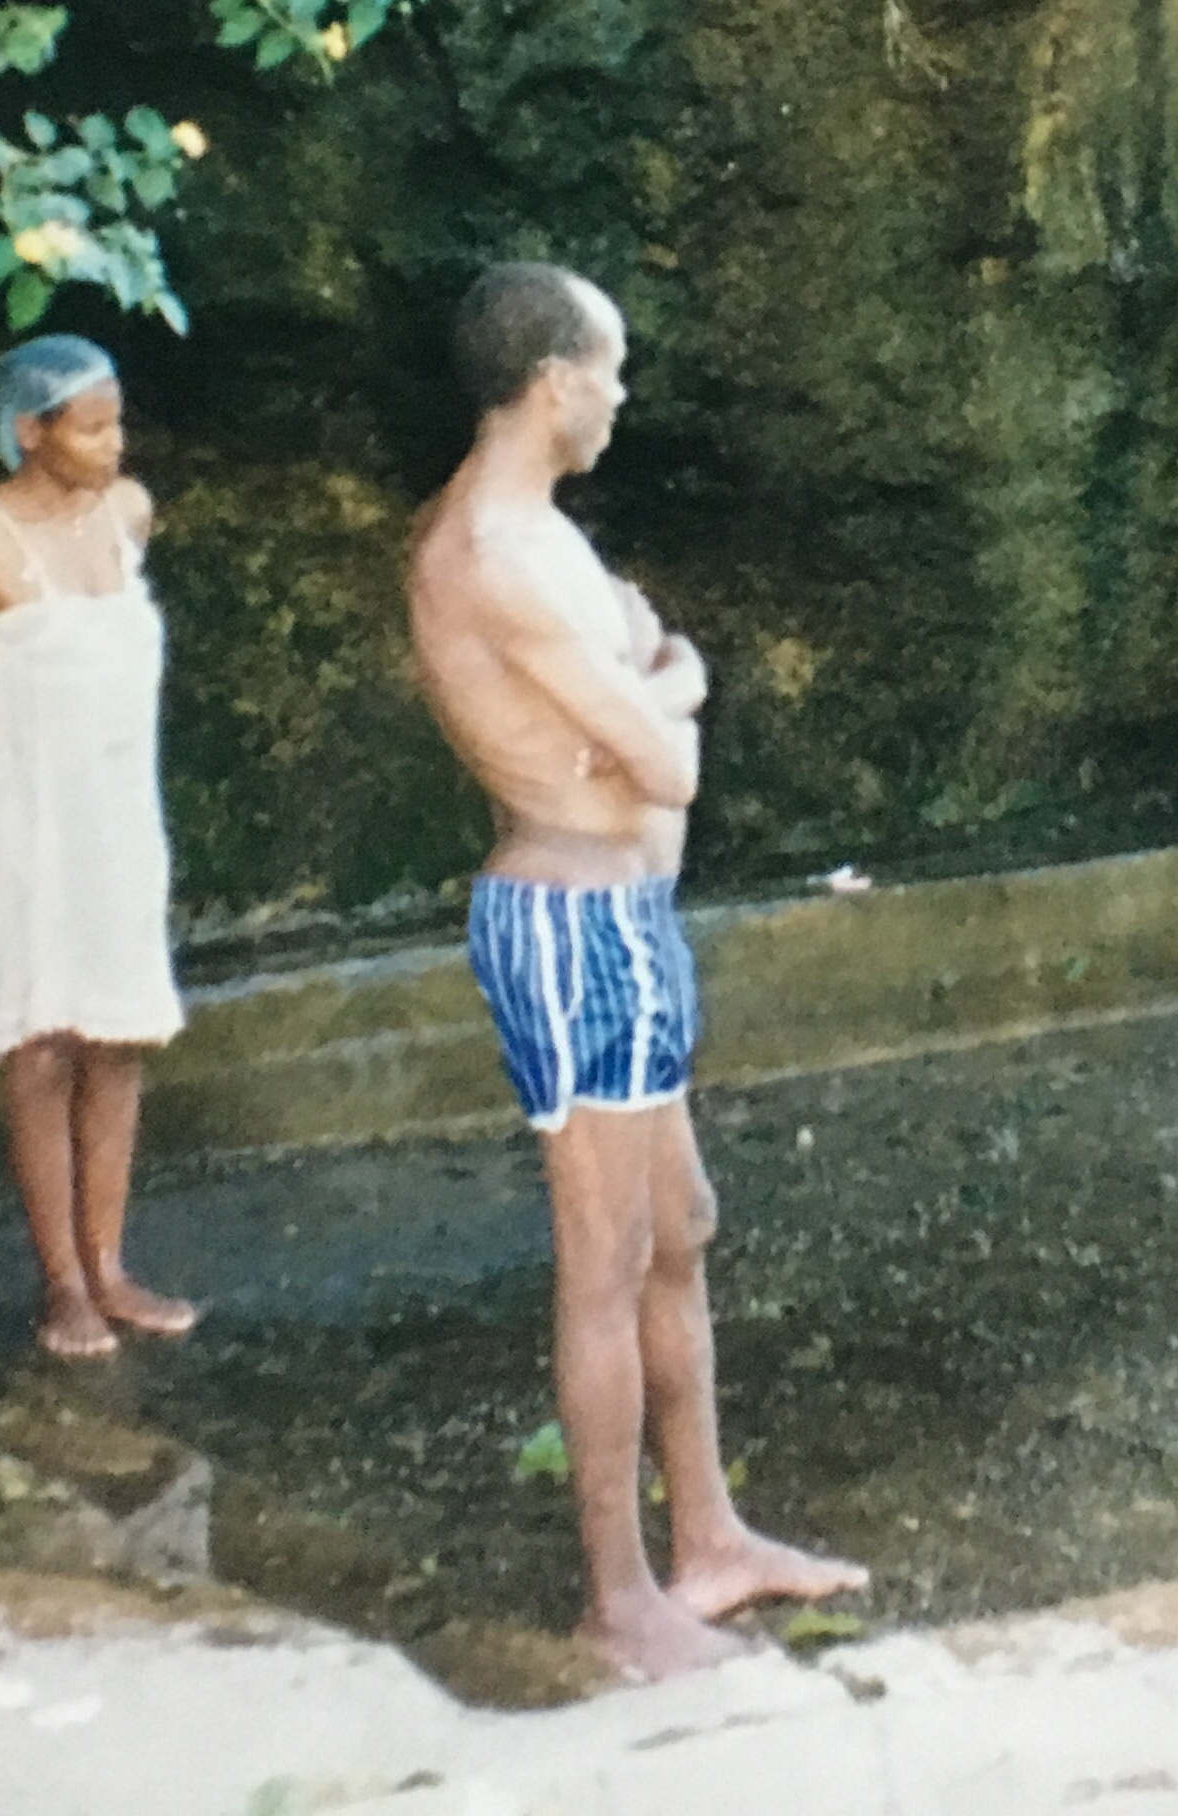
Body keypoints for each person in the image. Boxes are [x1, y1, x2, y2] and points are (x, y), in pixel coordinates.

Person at [406, 263, 863, 1679]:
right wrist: (672, 689)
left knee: (681, 1229)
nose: (623, 392)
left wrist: (656, 689)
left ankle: (710, 1540)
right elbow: (669, 745)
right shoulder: (488, 552)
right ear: (553, 381)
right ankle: (618, 1601)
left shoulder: (545, 536)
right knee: (603, 1264)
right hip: (568, 928)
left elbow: (656, 694)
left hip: (628, 917)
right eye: (611, 368)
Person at [0, 335, 197, 1362]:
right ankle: (60, 1282)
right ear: (30, 433)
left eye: (119, 422)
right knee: (38, 1049)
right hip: (18, 826)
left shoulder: (129, 516)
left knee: (117, 1040)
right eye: (93, 425)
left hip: (117, 822)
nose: (116, 443)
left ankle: (110, 1266)